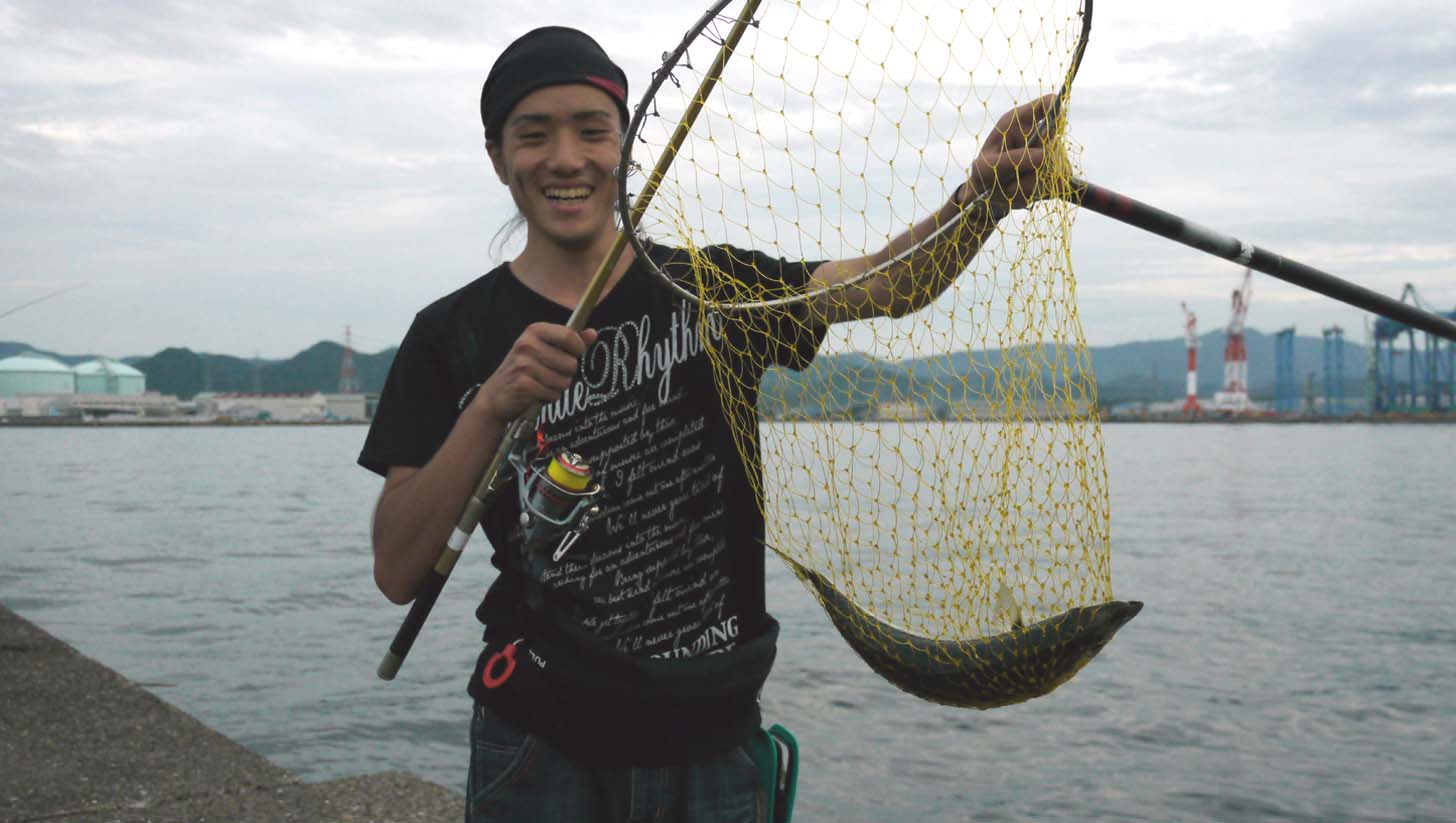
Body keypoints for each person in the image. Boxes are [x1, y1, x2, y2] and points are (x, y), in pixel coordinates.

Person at [359, 25, 1050, 823]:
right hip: (541, 742)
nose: (566, 158)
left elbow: (886, 285)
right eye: (534, 134)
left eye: (592, 130)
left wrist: (980, 201)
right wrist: (490, 406)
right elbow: (397, 569)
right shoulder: (450, 335)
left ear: (625, 146)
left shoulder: (714, 286)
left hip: (714, 735)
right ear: (497, 157)